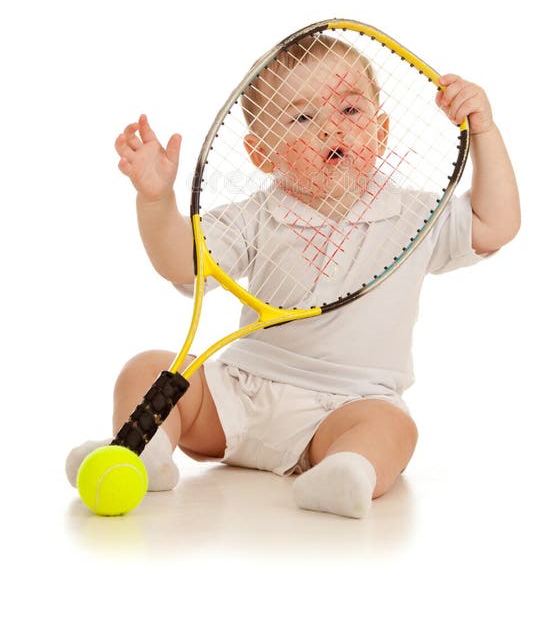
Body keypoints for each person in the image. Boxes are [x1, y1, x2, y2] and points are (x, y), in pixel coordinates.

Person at [66, 35, 520, 518]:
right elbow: (181, 262)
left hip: (346, 409)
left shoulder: (417, 215)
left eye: (350, 111)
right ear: (262, 154)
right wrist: (156, 202)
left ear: (382, 131)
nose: (331, 130)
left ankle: (347, 472)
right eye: (303, 118)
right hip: (240, 392)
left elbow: (496, 224)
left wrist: (484, 131)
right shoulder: (256, 217)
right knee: (148, 367)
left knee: (393, 429)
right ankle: (141, 452)